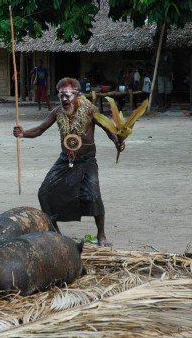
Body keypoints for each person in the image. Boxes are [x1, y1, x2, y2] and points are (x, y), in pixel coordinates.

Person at [13, 77, 124, 247]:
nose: (64, 99)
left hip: (87, 161)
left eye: (68, 95)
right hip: (65, 160)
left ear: (77, 95)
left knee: (93, 195)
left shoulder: (90, 110)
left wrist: (117, 141)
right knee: (44, 193)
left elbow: (109, 129)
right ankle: (55, 232)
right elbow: (40, 129)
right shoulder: (57, 112)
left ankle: (101, 234)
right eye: (61, 96)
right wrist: (23, 133)